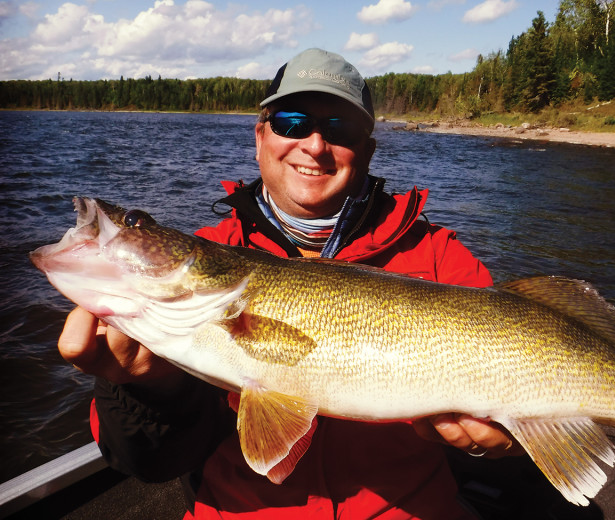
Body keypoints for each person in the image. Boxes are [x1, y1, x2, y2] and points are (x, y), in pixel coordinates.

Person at [58, 48, 521, 519]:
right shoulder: (211, 255)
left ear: (367, 148)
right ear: (260, 138)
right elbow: (151, 465)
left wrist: (510, 440)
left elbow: (528, 400)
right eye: (292, 122)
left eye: (341, 129)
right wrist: (144, 388)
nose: (315, 145)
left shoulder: (440, 257)